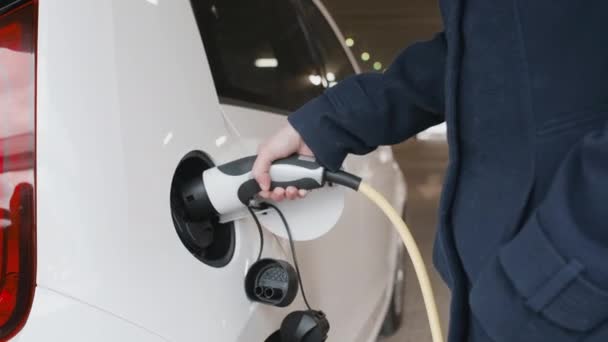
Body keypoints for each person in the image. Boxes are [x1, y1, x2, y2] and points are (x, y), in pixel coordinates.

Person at [252, 1, 608, 342]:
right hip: (518, 289)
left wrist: (557, 275)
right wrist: (327, 124)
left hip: (570, 293)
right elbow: (480, 54)